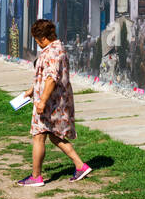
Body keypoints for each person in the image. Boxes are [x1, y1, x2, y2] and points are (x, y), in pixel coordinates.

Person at [17, 19, 91, 186]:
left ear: (42, 38)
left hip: (50, 103)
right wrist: (32, 90)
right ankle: (80, 165)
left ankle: (36, 177)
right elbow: (45, 77)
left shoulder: (50, 53)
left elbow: (50, 79)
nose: (36, 43)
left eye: (36, 40)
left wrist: (42, 101)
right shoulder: (59, 48)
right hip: (58, 101)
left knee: (38, 136)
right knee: (54, 135)